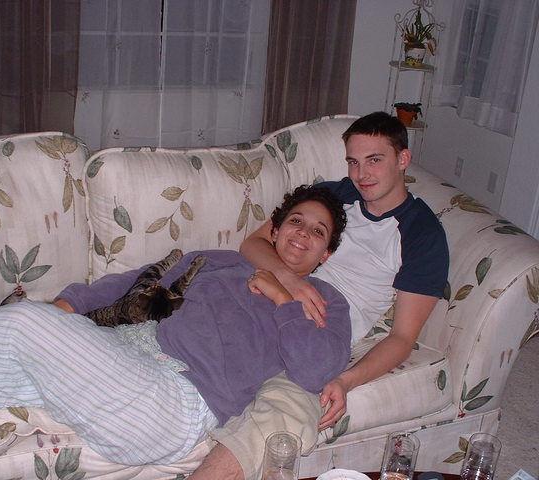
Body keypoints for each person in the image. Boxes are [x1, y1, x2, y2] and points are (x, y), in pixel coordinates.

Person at [0, 185, 351, 466]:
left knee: (22, 324)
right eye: (296, 221)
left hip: (176, 406)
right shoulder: (220, 261)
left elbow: (313, 371)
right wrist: (67, 307)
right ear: (274, 230)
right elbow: (135, 283)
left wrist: (282, 296)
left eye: (318, 231)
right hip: (127, 360)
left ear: (326, 254)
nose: (303, 233)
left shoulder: (328, 303)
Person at [190, 111, 450, 480]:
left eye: (374, 160)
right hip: (260, 303)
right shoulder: (335, 196)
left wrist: (346, 380)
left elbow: (402, 337)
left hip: (318, 334)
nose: (361, 175)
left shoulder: (422, 234)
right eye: (353, 162)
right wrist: (290, 281)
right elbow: (253, 243)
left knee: (285, 417)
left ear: (403, 159)